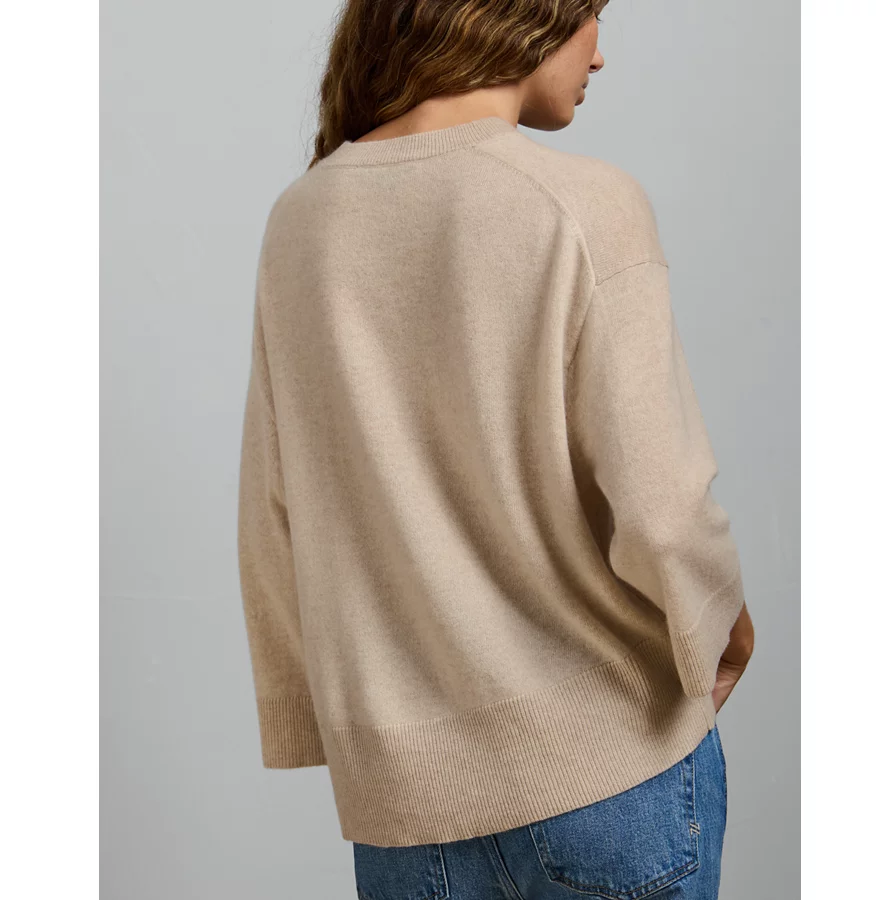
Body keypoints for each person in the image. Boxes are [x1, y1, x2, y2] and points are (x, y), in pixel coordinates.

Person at [236, 0, 755, 897]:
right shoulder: (583, 202)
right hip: (610, 774)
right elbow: (660, 505)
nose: (600, 54)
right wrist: (721, 625)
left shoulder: (302, 221)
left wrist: (313, 720)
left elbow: (274, 506)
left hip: (406, 811)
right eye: (593, 15)